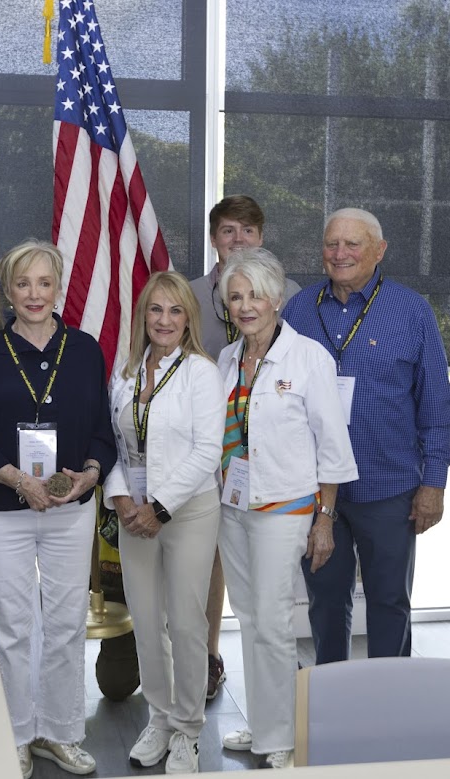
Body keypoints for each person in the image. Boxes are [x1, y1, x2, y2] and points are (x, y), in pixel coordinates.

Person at [0, 239, 116, 779]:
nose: (34, 293)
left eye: (44, 282)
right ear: (7, 289)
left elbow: (103, 432)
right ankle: (17, 734)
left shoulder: (86, 350)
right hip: (2, 510)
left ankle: (61, 732)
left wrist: (89, 475)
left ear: (59, 287)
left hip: (70, 510)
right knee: (11, 625)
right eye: (23, 283)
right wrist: (22, 481)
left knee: (67, 624)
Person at [281, 207, 450, 664]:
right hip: (317, 491)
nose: (340, 253)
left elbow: (436, 405)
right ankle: (331, 693)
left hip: (389, 487)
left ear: (379, 250)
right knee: (324, 601)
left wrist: (434, 483)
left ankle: (390, 697)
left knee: (389, 602)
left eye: (352, 244)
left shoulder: (411, 311)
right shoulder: (299, 310)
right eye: (332, 243)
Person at [215, 248, 357, 769]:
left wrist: (326, 518)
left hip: (286, 509)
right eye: (236, 297)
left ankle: (282, 738)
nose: (246, 306)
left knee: (273, 620)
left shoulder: (309, 358)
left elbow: (333, 445)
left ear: (276, 299)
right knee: (249, 617)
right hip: (234, 507)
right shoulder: (227, 360)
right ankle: (264, 723)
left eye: (256, 295)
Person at [104, 271, 223, 774]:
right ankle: (159, 719)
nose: (165, 320)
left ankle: (188, 731)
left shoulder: (201, 373)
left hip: (189, 511)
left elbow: (207, 452)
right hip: (134, 514)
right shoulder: (125, 371)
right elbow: (113, 442)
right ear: (143, 316)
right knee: (147, 622)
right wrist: (121, 497)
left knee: (187, 623)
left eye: (176, 310)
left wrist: (159, 507)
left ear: (188, 318)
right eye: (156, 309)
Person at [187, 194, 301, 700]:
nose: (238, 239)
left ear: (261, 237)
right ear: (214, 238)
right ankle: (210, 657)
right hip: (212, 458)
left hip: (275, 468)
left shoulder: (290, 294)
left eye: (247, 231)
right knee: (213, 566)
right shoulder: (190, 295)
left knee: (269, 595)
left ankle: (282, 683)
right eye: (228, 230)